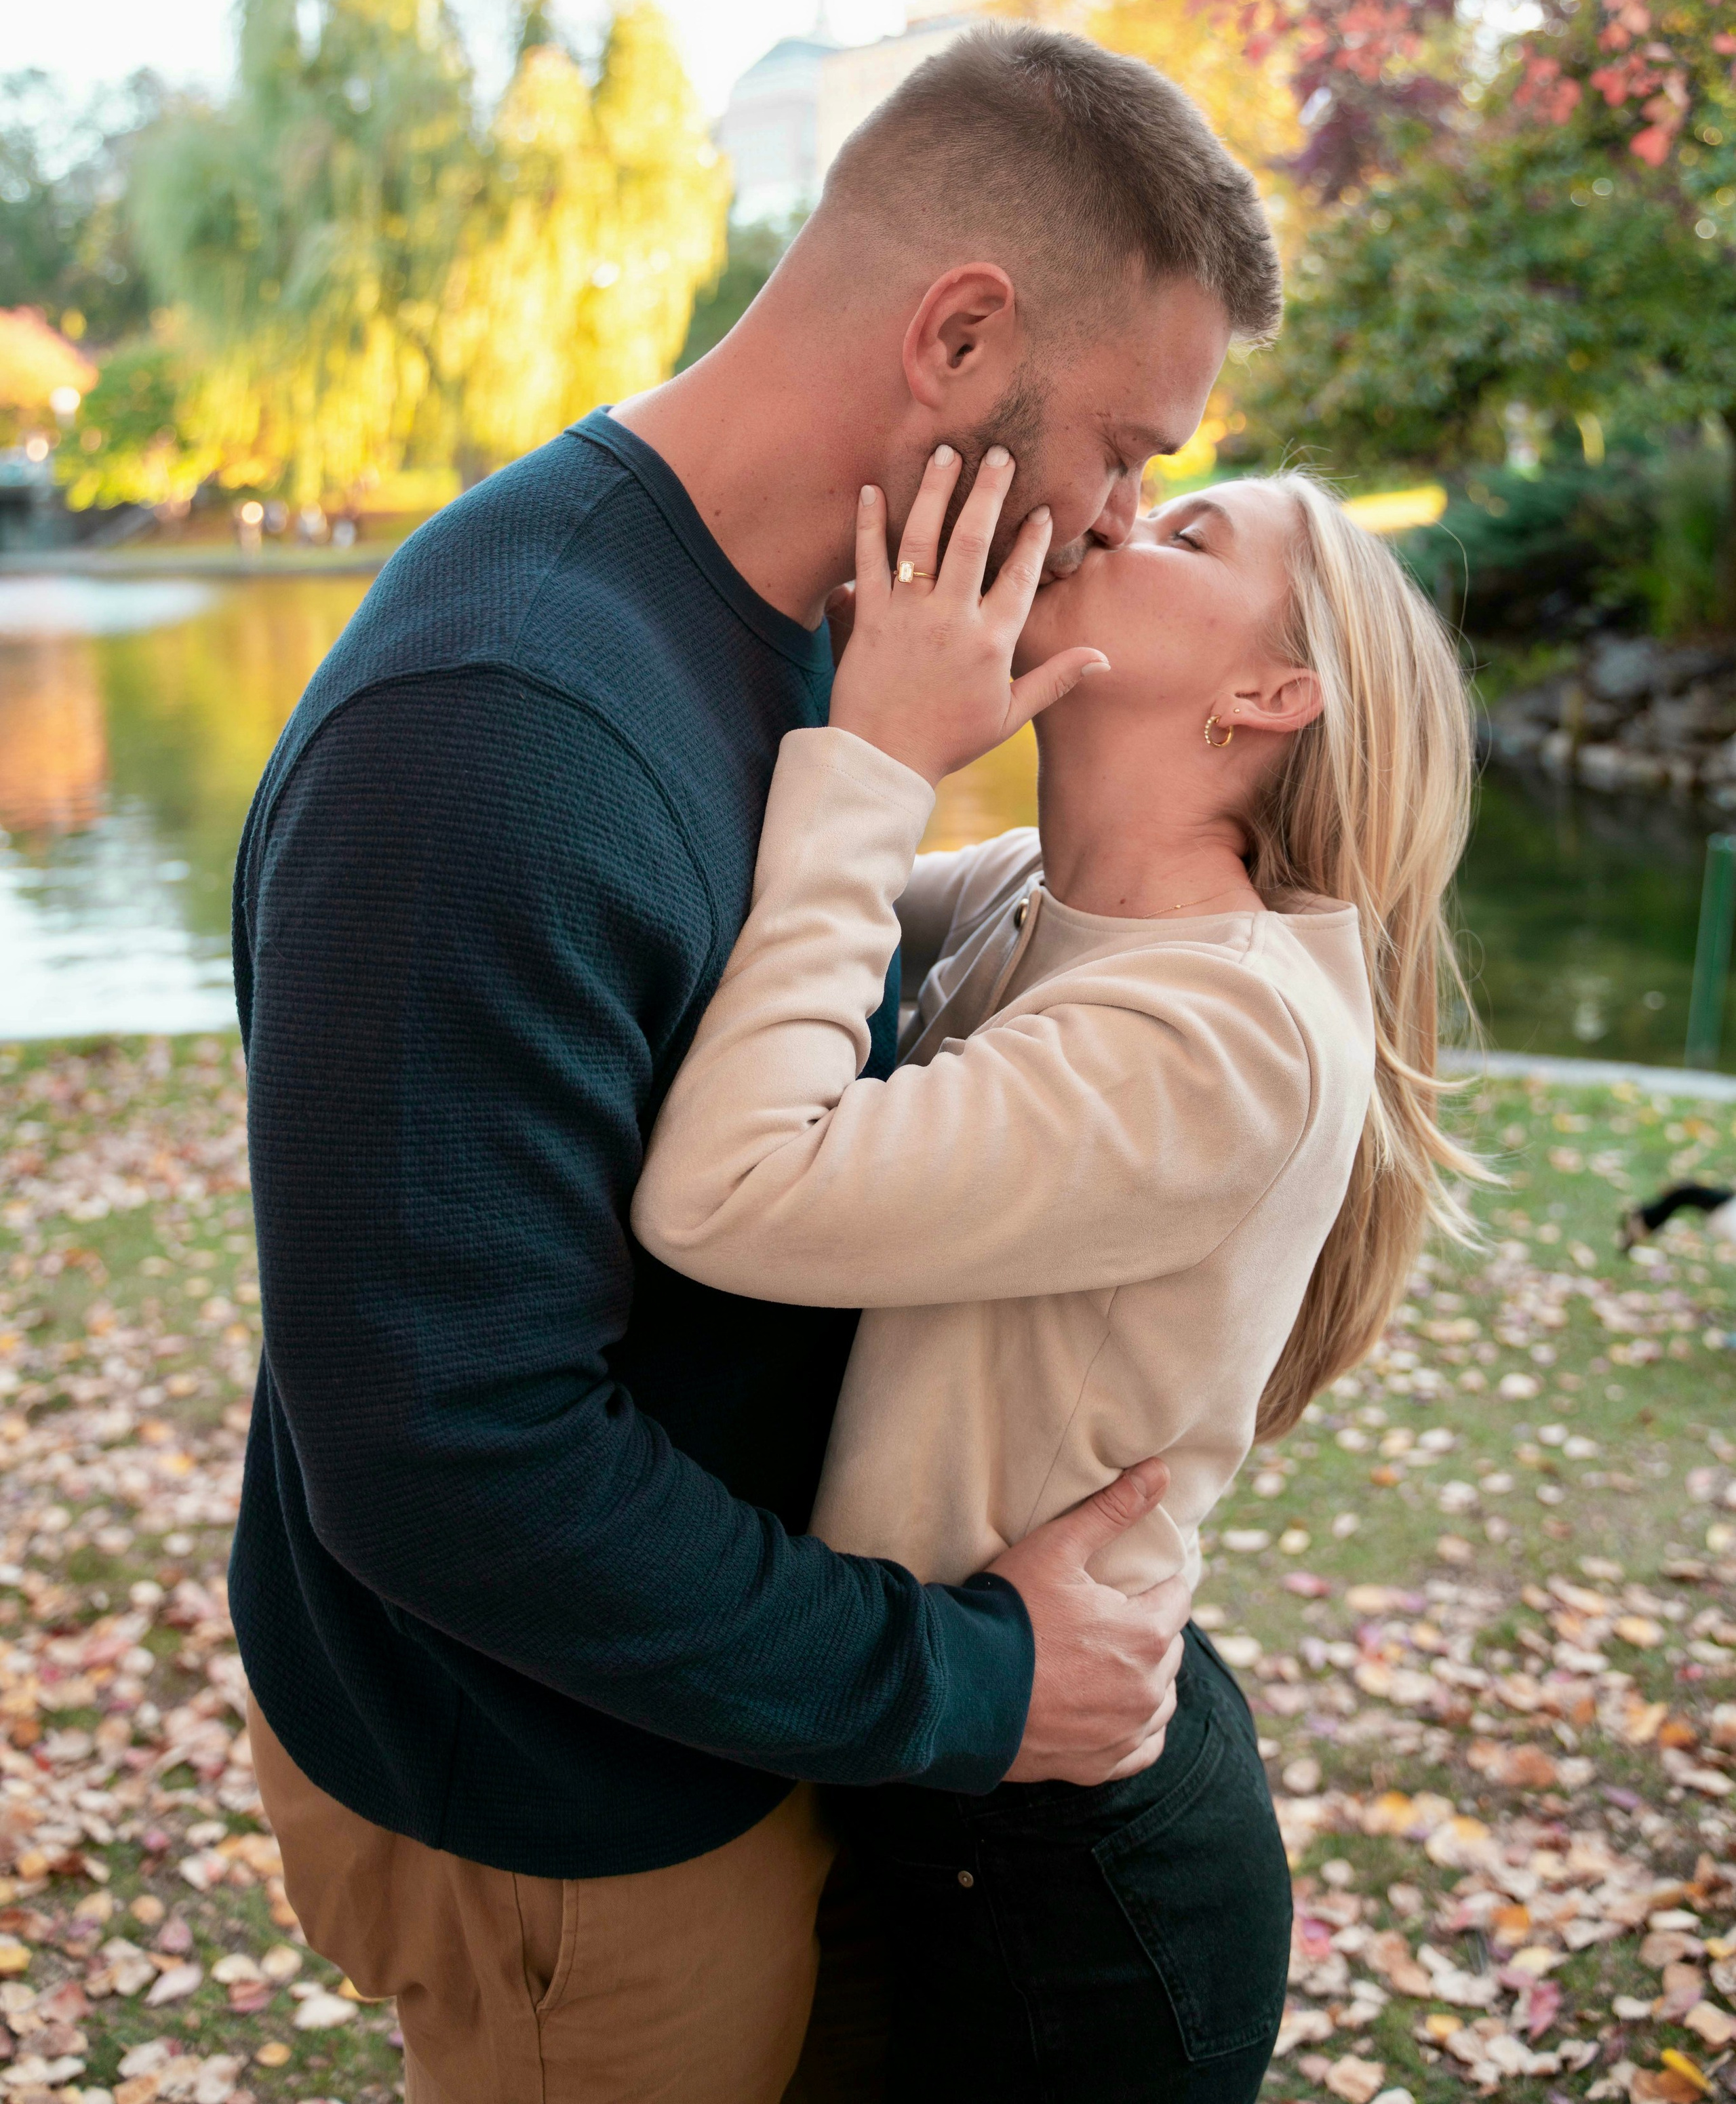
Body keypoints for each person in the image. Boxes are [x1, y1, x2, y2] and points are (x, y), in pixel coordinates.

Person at [230, 24, 1282, 2103]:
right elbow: (457, 1461)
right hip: (562, 1793)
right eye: (1128, 450)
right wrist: (976, 1681)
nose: (1115, 519)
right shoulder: (493, 734)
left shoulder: (823, 619)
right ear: (961, 334)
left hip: (714, 1704)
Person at [633, 446, 1484, 2101]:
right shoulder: (1040, 899)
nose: (1111, 518)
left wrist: (877, 750)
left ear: (1268, 691)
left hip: (1061, 1884)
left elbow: (729, 1187)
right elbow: (783, 906)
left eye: (1184, 534)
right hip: (959, 1748)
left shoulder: (1220, 1032)